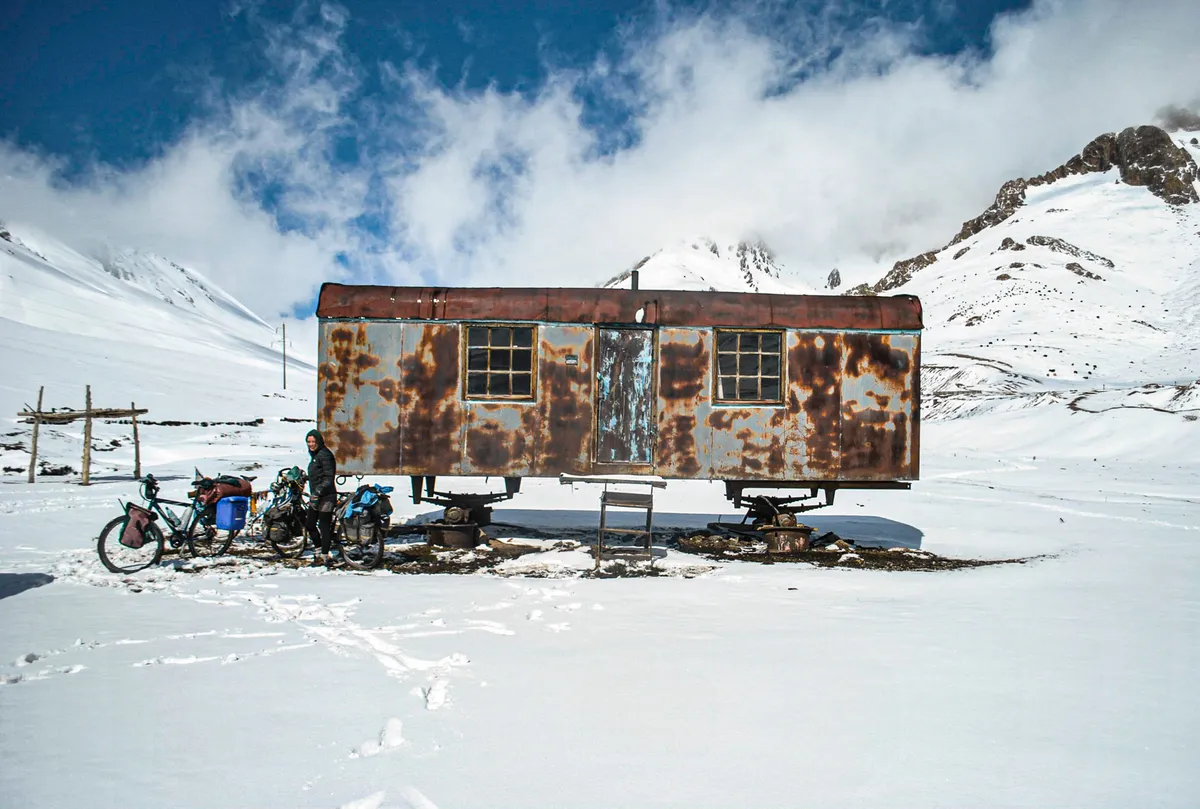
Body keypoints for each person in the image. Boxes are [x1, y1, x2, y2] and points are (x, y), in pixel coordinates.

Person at [304, 429, 337, 565]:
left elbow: (329, 477)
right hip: (316, 495)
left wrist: (318, 491)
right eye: (308, 442)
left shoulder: (325, 455)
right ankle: (318, 550)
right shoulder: (315, 455)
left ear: (319, 441)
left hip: (326, 496)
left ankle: (324, 555)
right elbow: (318, 474)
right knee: (310, 524)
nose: (311, 444)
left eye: (313, 441)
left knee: (324, 525)